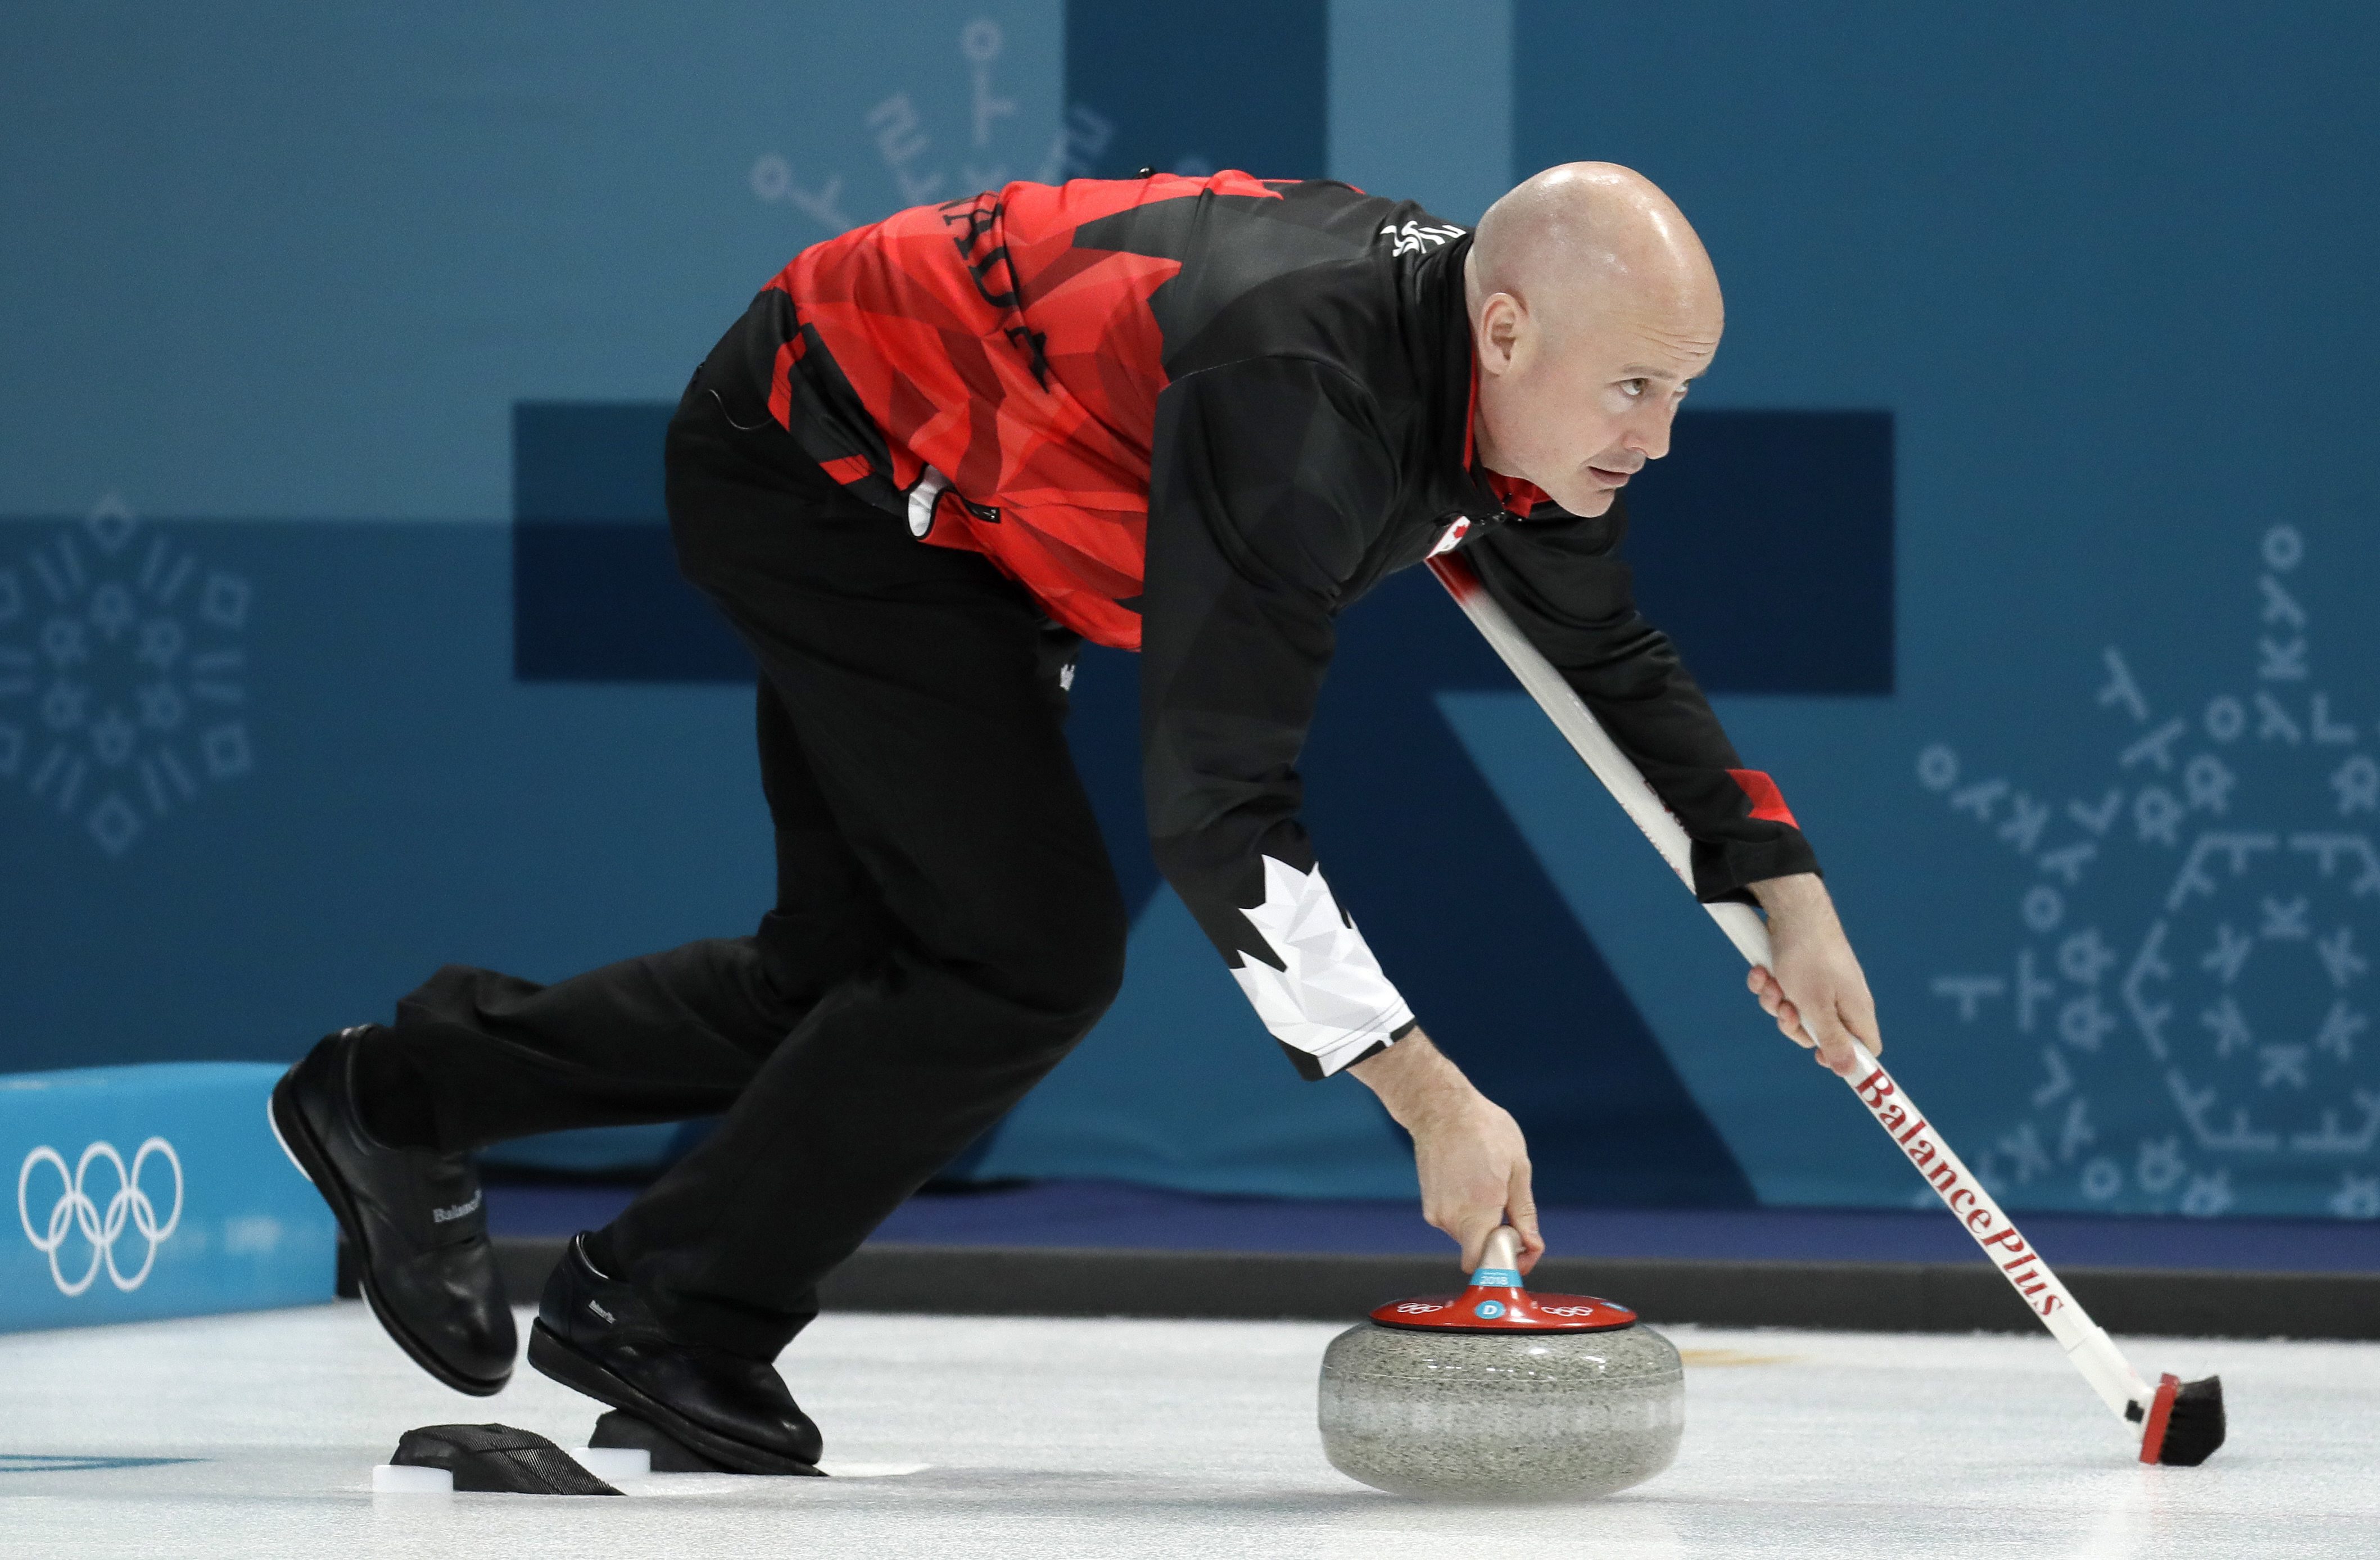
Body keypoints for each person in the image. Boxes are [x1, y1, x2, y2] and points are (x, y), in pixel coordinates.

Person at [270, 162, 1883, 1473]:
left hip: (962, 518)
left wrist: (1785, 893)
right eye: (1638, 388)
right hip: (818, 460)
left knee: (853, 972)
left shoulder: (1492, 398)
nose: (1657, 437)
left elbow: (1604, 651)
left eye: (1678, 393)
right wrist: (1425, 1093)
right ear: (1511, 329)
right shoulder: (1304, 400)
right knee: (1018, 954)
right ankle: (674, 1307)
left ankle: (404, 1097)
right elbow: (1217, 806)